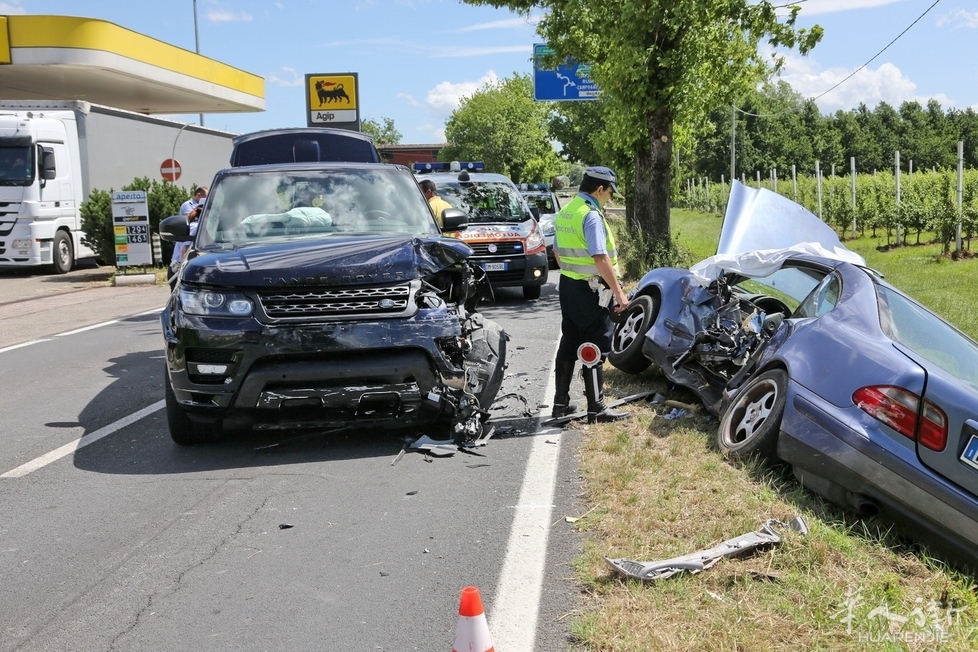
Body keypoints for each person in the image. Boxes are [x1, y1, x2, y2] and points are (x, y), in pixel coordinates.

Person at [551, 166, 631, 423]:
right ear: (599, 189)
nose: (609, 197)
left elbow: (557, 251)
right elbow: (600, 257)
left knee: (570, 340)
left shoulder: (567, 211)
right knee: (595, 342)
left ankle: (560, 404)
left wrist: (573, 273)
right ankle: (596, 407)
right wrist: (619, 293)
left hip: (569, 286)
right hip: (591, 289)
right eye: (609, 192)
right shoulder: (591, 215)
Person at [169, 186, 207, 278]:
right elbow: (184, 250)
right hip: (178, 268)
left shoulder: (201, 227)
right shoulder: (196, 227)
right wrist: (184, 274)